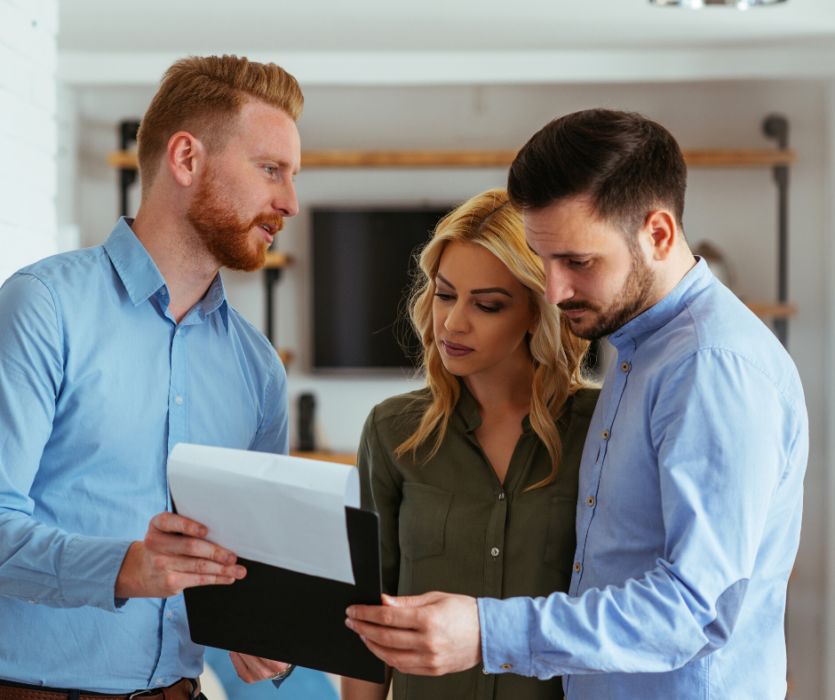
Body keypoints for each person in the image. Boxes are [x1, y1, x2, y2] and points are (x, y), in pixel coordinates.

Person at [344, 109, 808, 700]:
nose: (555, 291)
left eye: (578, 262)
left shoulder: (710, 366)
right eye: (545, 261)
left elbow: (695, 608)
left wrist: (488, 631)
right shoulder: (638, 350)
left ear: (658, 234)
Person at [0, 55, 302, 698]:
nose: (290, 203)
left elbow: (250, 568)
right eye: (270, 170)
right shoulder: (44, 307)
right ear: (187, 159)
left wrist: (258, 627)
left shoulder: (259, 371)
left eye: (292, 177)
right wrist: (125, 568)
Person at [341, 189, 598, 700]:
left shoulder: (600, 430)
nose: (453, 323)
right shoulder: (393, 432)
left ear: (536, 309)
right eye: (444, 293)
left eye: (487, 304)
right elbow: (369, 617)